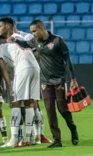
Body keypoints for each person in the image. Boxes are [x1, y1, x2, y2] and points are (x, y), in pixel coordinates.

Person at [10, 19, 79, 148]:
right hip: (45, 81)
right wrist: (15, 40)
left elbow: (68, 61)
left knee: (62, 108)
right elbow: (25, 44)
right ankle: (57, 140)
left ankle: (72, 128)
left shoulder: (58, 41)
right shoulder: (35, 41)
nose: (33, 34)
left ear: (42, 28)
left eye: (35, 31)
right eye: (32, 31)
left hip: (59, 80)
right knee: (49, 110)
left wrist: (73, 79)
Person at [0, 17, 40, 147]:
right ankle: (28, 138)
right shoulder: (23, 37)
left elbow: (3, 69)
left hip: (23, 68)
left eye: (0, 27)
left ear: (8, 27)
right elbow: (36, 48)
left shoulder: (1, 48)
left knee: (15, 103)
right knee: (29, 102)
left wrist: (9, 86)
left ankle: (14, 139)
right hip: (35, 68)